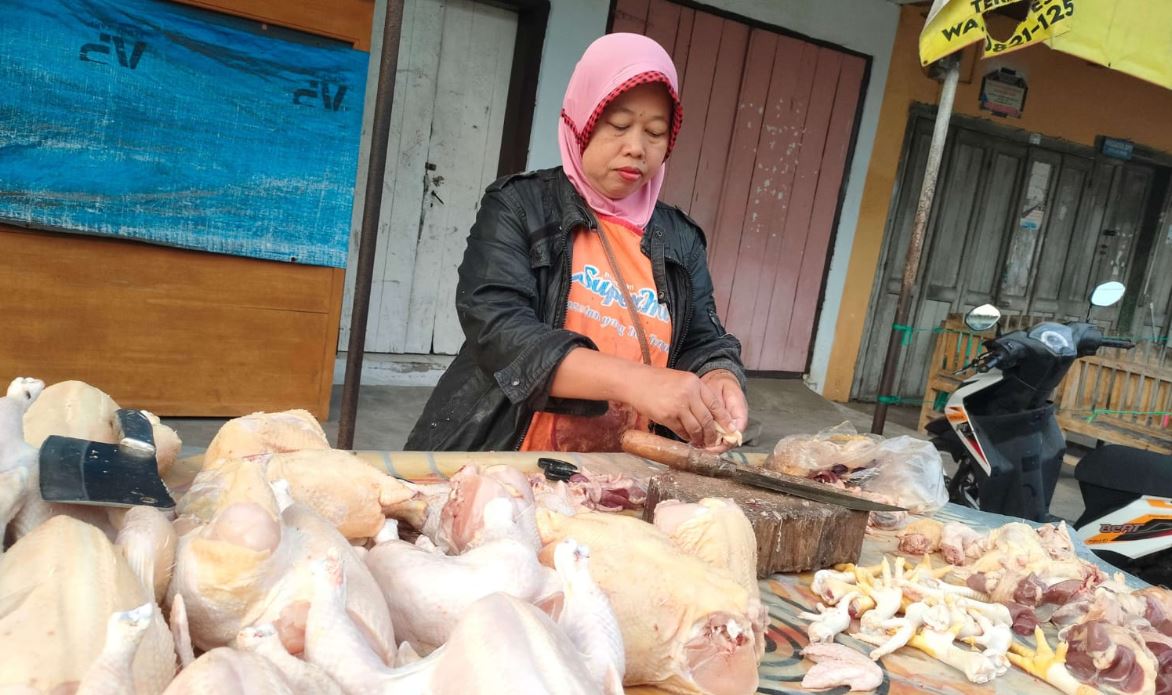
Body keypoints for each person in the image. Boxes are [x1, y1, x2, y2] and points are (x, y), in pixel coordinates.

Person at [405, 32, 747, 454]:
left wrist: (719, 378)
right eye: (619, 125)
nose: (636, 148)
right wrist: (638, 382)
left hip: (621, 472)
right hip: (505, 459)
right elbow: (499, 328)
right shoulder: (520, 206)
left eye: (656, 133)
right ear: (582, 118)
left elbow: (702, 339)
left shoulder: (679, 238)